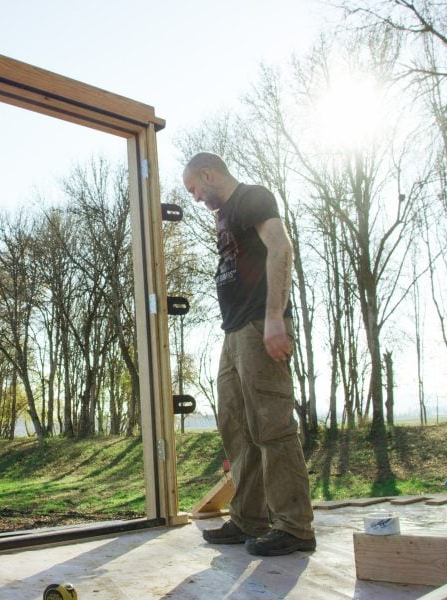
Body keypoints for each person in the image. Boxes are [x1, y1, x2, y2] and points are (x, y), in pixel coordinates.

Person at [183, 152, 315, 556]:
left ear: (208, 173)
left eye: (194, 188)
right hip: (233, 331)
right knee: (234, 425)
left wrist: (275, 316)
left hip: (261, 324)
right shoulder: (224, 216)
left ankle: (295, 527)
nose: (195, 198)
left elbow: (281, 249)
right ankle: (249, 519)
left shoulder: (253, 197)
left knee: (271, 425)